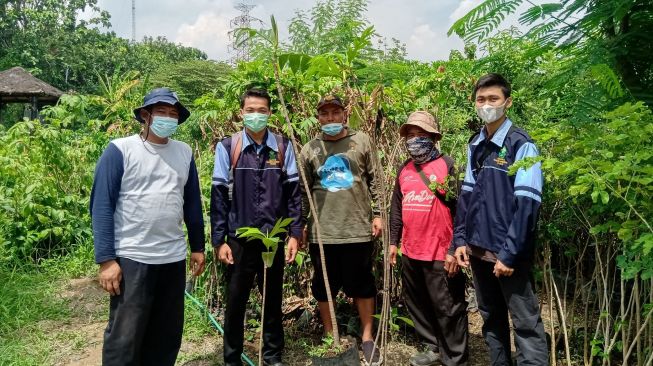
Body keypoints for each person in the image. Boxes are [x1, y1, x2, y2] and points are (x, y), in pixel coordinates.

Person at [90, 87, 206, 366]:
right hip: (133, 257)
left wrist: (198, 247)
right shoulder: (120, 149)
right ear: (146, 115)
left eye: (173, 114)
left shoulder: (184, 152)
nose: (167, 118)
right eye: (161, 112)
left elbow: (191, 203)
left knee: (166, 334)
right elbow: (102, 205)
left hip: (173, 257)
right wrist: (106, 260)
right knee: (125, 335)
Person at [452, 73, 548, 365]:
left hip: (508, 255)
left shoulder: (522, 146)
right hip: (479, 250)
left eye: (493, 99)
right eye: (481, 99)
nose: (486, 105)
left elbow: (527, 206)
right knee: (491, 319)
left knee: (525, 324)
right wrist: (459, 240)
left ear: (507, 102)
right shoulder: (476, 145)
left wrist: (509, 254)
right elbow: (467, 196)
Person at [211, 88, 302, 366]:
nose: (256, 115)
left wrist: (295, 233)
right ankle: (232, 358)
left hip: (272, 238)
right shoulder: (229, 147)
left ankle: (272, 355)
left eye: (262, 110)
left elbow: (293, 194)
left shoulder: (283, 147)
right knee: (236, 301)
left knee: (272, 299)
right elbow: (218, 195)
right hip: (239, 238)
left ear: (270, 113)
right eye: (250, 110)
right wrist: (219, 240)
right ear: (241, 113)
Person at [299, 94, 383, 366]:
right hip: (322, 232)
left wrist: (380, 213)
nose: (330, 118)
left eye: (335, 113)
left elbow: (376, 180)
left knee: (362, 283)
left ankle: (368, 337)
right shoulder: (310, 149)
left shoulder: (362, 142)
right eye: (324, 114)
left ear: (345, 114)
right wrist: (300, 223)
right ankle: (329, 334)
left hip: (357, 228)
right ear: (318, 117)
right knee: (324, 286)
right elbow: (302, 191)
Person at [389, 111, 469, 366]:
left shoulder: (448, 165)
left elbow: (462, 210)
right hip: (411, 250)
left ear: (433, 137)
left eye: (420, 134)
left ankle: (455, 357)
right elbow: (396, 208)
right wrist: (393, 242)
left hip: (440, 251)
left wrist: (454, 248)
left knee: (448, 306)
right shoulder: (404, 169)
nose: (414, 140)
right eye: (410, 135)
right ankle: (433, 346)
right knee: (418, 302)